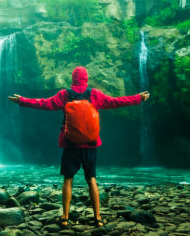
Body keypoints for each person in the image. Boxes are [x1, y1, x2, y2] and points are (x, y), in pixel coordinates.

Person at [8, 66, 149, 228]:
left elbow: (44, 104)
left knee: (68, 179)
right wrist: (138, 98)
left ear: (73, 78)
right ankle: (97, 217)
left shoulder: (64, 94)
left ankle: (65, 217)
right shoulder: (95, 94)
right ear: (86, 78)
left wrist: (22, 100)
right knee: (91, 179)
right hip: (90, 144)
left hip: (70, 143)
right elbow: (115, 102)